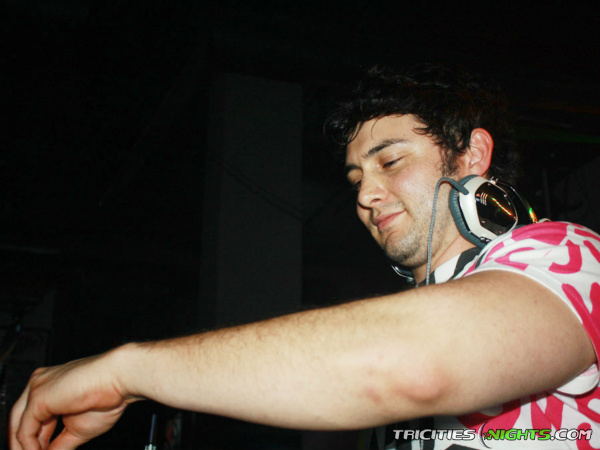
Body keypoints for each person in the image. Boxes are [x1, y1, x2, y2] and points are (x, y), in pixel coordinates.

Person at [10, 64, 600, 450]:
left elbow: (409, 364)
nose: (366, 195)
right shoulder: (424, 312)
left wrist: (127, 372)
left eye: (390, 162)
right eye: (356, 179)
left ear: (471, 155)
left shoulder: (570, 255)